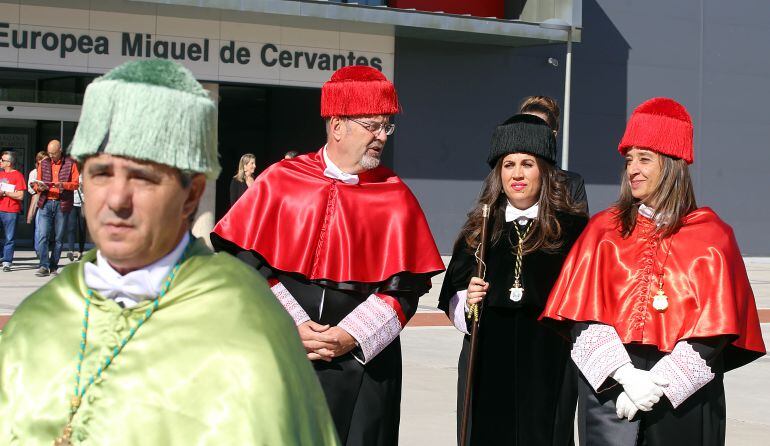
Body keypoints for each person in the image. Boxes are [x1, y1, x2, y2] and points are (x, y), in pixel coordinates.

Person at [0, 59, 339, 446]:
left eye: (142, 177)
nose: (116, 200)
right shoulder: (38, 319)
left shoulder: (243, 324)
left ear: (191, 193)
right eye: (101, 173)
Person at [211, 65, 445, 446]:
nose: (382, 136)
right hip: (283, 356)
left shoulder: (395, 196)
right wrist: (290, 324)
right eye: (373, 125)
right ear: (338, 126)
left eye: (387, 126)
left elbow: (404, 290)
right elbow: (243, 265)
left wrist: (349, 336)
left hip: (364, 365)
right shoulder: (280, 180)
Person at [540, 98, 766, 446]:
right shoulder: (604, 231)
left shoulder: (713, 236)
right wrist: (627, 377)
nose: (633, 169)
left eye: (644, 159)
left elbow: (715, 332)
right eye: (629, 159)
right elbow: (581, 317)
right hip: (611, 391)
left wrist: (658, 384)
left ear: (673, 164)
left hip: (683, 402)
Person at [438, 114, 588, 445]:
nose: (517, 174)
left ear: (544, 171)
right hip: (488, 363)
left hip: (550, 363)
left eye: (527, 164)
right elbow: (451, 298)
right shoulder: (479, 230)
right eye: (508, 165)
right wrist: (467, 301)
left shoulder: (573, 230)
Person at [519, 95, 589, 211]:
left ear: (553, 134)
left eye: (538, 130)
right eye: (523, 128)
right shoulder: (503, 179)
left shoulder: (572, 183)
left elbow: (581, 227)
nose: (530, 135)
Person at [33, 139, 80, 276]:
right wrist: (38, 186)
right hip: (46, 202)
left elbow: (76, 184)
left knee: (59, 238)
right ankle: (43, 265)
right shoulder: (44, 163)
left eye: (53, 153)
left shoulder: (70, 163)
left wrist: (63, 185)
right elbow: (38, 182)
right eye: (49, 153)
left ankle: (53, 266)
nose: (51, 156)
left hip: (62, 203)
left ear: (60, 151)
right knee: (42, 236)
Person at [0, 151, 26, 272]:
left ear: (9, 163)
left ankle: (7, 261)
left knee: (9, 237)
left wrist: (5, 193)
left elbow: (20, 195)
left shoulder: (18, 176)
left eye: (2, 160)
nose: (0, 162)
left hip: (11, 210)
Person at [27, 151, 49, 256]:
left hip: (49, 199)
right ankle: (39, 250)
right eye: (43, 160)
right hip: (38, 199)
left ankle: (44, 248)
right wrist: (36, 187)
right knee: (39, 226)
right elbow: (30, 189)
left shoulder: (49, 171)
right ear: (38, 161)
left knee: (46, 227)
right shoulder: (34, 172)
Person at [65, 174, 86, 261]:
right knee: (71, 228)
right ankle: (71, 250)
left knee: (82, 229)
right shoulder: (70, 175)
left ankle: (80, 251)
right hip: (72, 204)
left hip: (83, 204)